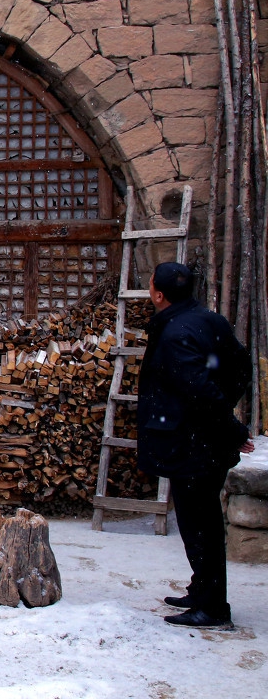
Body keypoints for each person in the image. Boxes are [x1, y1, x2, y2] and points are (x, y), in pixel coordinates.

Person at [138, 262, 254, 629]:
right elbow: (240, 366)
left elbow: (200, 391)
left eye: (151, 285)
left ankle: (213, 606)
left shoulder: (176, 334)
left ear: (159, 294)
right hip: (200, 440)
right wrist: (227, 403)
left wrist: (230, 427)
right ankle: (201, 588)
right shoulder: (208, 319)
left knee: (199, 525)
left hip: (194, 444)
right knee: (200, 521)